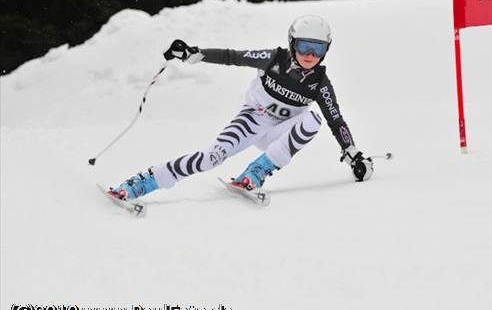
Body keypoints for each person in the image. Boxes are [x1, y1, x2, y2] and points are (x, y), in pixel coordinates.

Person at [107, 15, 374, 201]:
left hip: (279, 134)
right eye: (305, 46)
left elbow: (335, 121)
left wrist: (353, 154)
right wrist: (194, 53)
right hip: (252, 119)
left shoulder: (320, 83)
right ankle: (143, 183)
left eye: (318, 50)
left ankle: (256, 172)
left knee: (313, 120)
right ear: (293, 44)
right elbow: (233, 57)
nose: (310, 56)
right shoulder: (274, 58)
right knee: (210, 158)